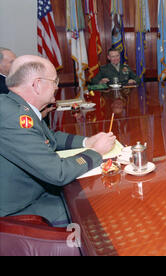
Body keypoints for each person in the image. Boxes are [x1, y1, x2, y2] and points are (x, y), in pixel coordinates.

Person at [0, 55, 116, 226]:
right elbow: (58, 173)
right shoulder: (15, 118)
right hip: (19, 210)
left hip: (34, 193)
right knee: (97, 208)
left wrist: (87, 142)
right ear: (37, 85)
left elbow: (50, 137)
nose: (56, 86)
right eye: (54, 81)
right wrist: (95, 151)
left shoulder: (15, 105)